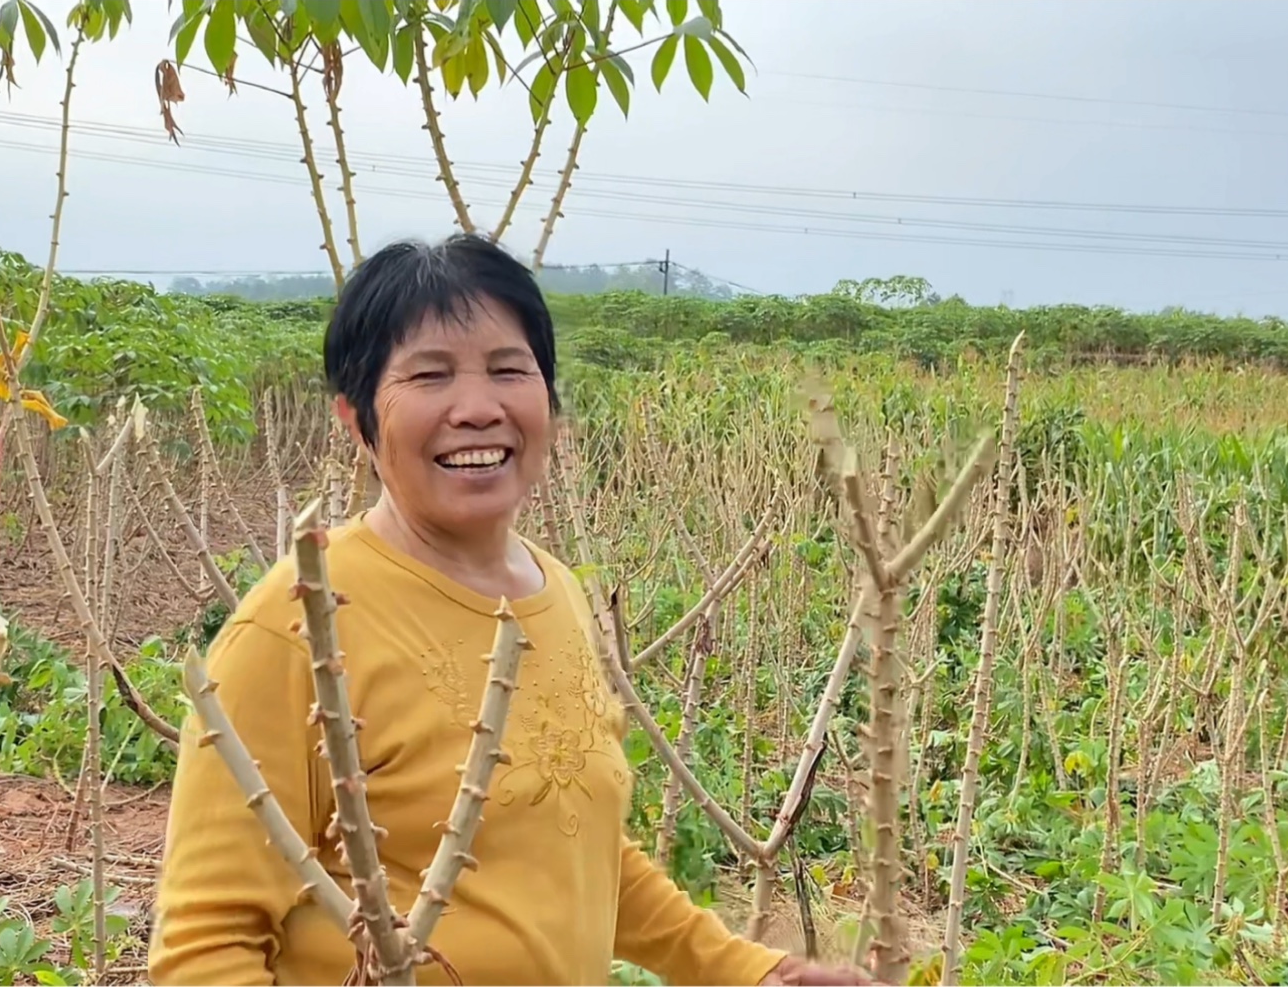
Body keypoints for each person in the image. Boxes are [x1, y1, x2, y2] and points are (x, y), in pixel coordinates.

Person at [147, 234, 878, 986]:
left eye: (509, 370)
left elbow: (584, 858)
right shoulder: (295, 627)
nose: (477, 408)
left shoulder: (554, 590)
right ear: (355, 419)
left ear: (549, 403)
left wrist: (752, 971)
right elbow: (205, 948)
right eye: (429, 375)